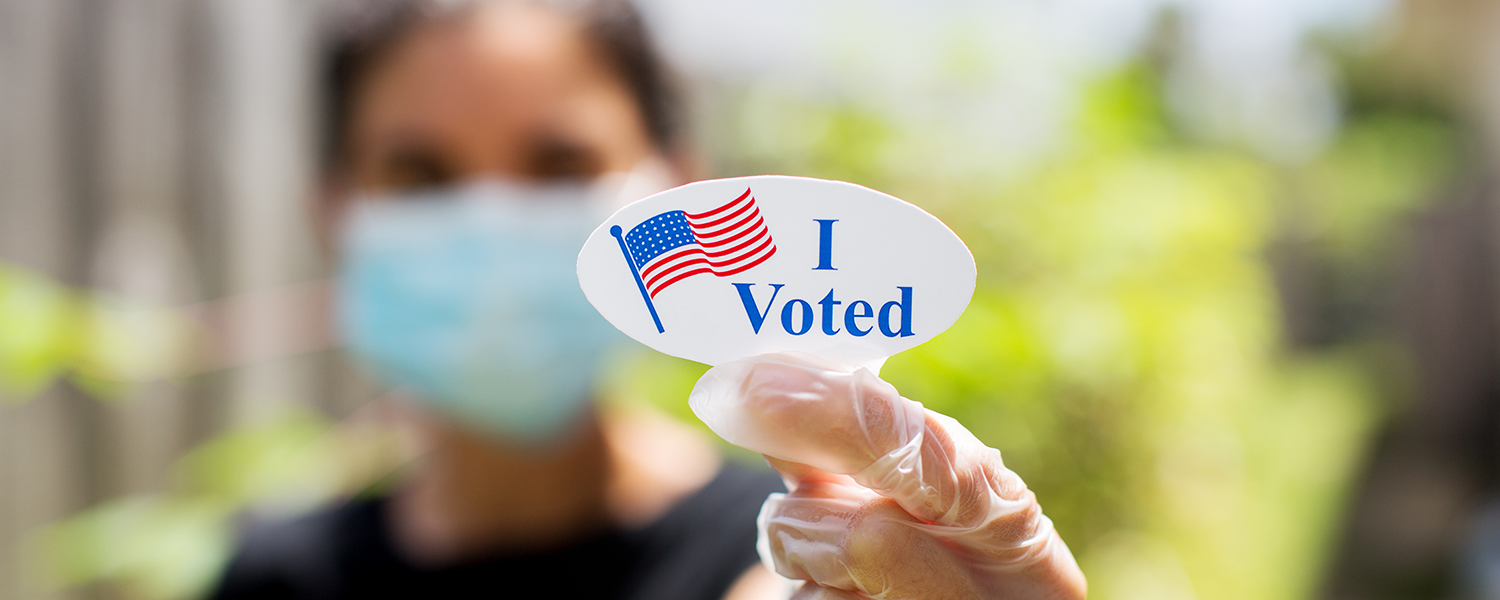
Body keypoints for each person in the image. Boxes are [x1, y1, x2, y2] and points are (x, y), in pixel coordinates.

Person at [209, 1, 1087, 599]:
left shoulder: (799, 553)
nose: (494, 227)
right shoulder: (274, 579)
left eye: (559, 166)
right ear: (334, 208)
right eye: (421, 175)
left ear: (674, 193)